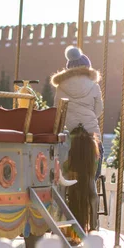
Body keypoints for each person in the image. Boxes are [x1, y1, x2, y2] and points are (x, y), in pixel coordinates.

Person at [50, 45, 104, 179]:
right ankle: (94, 178)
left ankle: (67, 177)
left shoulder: (61, 86)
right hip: (91, 129)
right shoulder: (94, 85)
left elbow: (58, 110)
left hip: (71, 130)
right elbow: (99, 109)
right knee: (99, 151)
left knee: (63, 153)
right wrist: (90, 118)